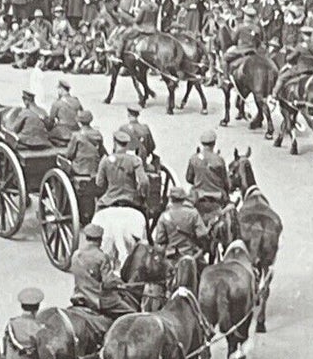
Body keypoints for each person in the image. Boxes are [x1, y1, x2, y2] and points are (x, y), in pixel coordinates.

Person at [92, 130, 150, 265]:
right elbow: (144, 181)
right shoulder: (135, 160)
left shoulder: (106, 161)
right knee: (144, 214)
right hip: (131, 200)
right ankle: (147, 243)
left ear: (115, 143)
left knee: (97, 211)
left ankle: (93, 238)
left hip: (110, 200)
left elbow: (99, 183)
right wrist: (143, 196)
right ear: (127, 145)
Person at [69, 223, 137, 318]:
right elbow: (108, 282)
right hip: (98, 300)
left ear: (86, 237)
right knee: (132, 315)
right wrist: (121, 283)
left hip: (79, 296)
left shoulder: (75, 255)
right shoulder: (101, 257)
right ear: (99, 240)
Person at [152, 183, 208, 270]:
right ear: (183, 199)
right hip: (191, 255)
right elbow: (202, 235)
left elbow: (160, 240)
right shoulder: (193, 213)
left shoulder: (164, 216)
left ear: (171, 199)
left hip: (171, 258)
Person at [185, 129, 230, 219]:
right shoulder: (219, 160)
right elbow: (225, 181)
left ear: (202, 143)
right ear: (214, 143)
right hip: (217, 197)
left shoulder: (194, 159)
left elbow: (189, 178)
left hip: (198, 197)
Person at [48, 79, 83, 146]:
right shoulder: (76, 100)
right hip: (75, 129)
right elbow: (82, 115)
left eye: (58, 89)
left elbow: (51, 121)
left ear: (61, 89)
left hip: (62, 132)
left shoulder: (57, 103)